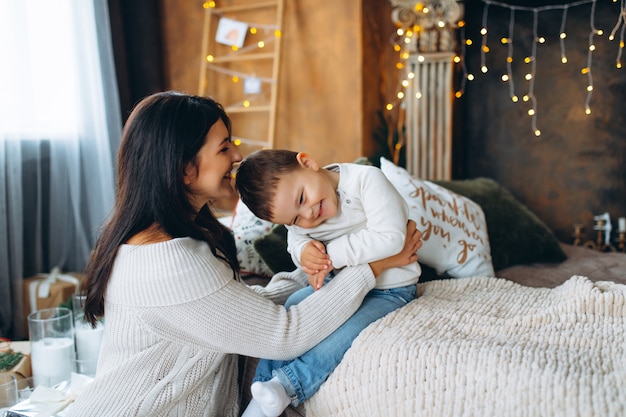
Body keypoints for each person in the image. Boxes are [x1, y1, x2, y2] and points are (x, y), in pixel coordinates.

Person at [66, 91, 422, 417]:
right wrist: (373, 265)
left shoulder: (161, 242)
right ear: (185, 169)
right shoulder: (170, 263)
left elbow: (238, 307)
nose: (238, 156)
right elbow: (284, 335)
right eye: (224, 148)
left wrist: (319, 264)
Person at [236, 149, 423, 417]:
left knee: (346, 330)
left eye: (302, 198)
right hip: (340, 286)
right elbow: (296, 240)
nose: (308, 215)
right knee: (293, 305)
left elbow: (392, 238)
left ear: (308, 162)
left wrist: (329, 257)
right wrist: (303, 254)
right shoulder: (301, 216)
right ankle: (261, 391)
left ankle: (289, 385)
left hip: (390, 291)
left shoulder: (365, 180)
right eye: (295, 218)